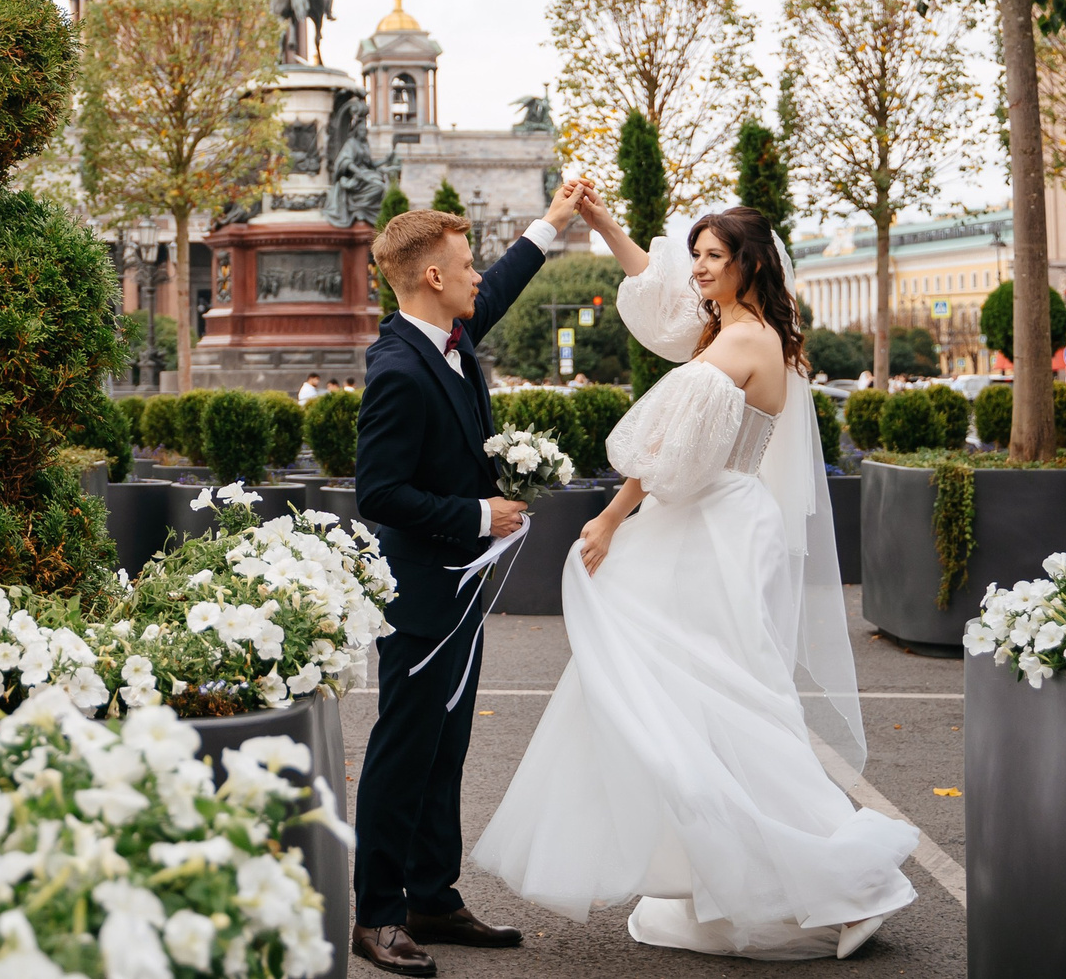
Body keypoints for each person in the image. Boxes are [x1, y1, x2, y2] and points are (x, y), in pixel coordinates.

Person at [472, 193, 917, 960]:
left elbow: (677, 454)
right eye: (698, 254)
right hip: (719, 521)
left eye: (714, 256)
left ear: (748, 265)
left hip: (714, 524)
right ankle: (729, 871)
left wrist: (613, 516)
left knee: (723, 697)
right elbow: (661, 296)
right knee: (697, 699)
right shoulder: (735, 333)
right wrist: (603, 222)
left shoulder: (742, 344)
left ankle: (839, 876)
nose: (700, 268)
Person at [348, 180, 585, 975]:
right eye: (466, 263)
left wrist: (550, 225)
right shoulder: (399, 369)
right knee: (403, 749)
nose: (478, 274)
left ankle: (432, 899)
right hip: (420, 595)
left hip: (458, 592)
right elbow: (377, 493)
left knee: (446, 745)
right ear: (433, 280)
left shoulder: (447, 337)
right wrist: (479, 516)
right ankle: (377, 915)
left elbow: (504, 288)